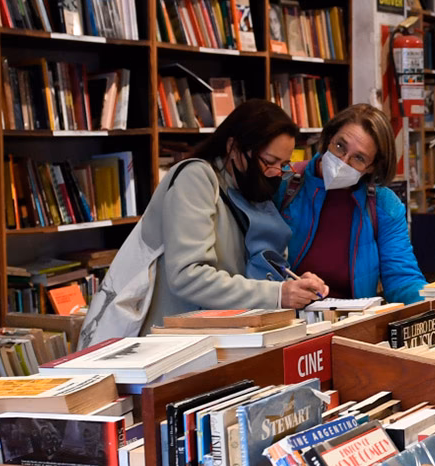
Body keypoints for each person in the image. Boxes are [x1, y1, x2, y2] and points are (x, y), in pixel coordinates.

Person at [78, 100, 329, 344]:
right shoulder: (196, 178)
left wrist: (292, 285)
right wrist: (278, 294)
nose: (276, 173)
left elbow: (249, 269)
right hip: (172, 343)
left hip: (221, 335)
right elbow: (188, 275)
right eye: (269, 162)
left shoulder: (250, 188)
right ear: (234, 146)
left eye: (284, 165)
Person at [281, 103, 428, 303]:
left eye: (359, 158)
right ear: (328, 139)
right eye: (340, 146)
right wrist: (281, 289)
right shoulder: (285, 182)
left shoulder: (384, 205)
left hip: (351, 321)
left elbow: (402, 278)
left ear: (372, 167)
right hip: (287, 317)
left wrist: (429, 306)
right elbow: (257, 261)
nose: (343, 161)